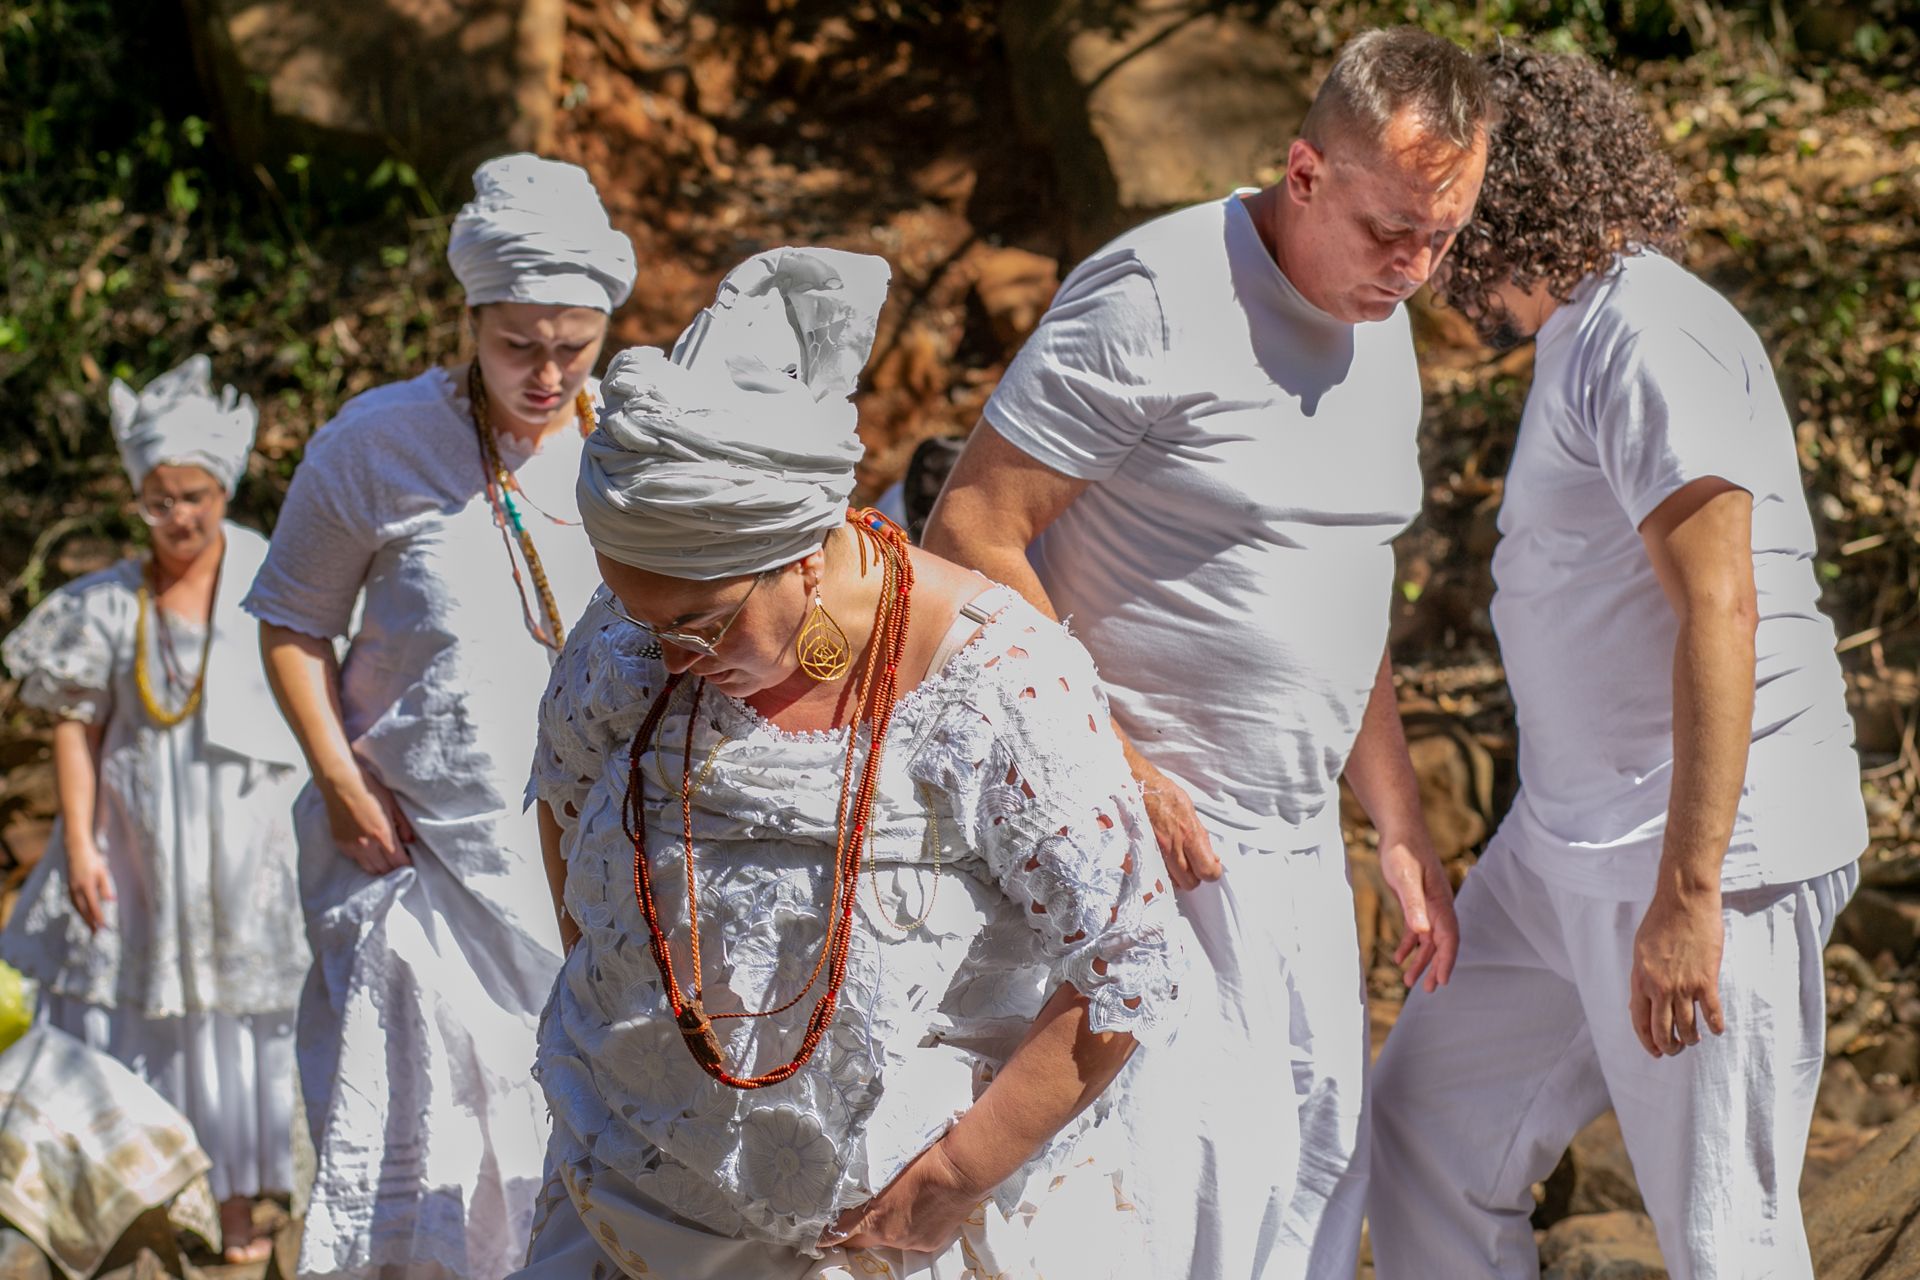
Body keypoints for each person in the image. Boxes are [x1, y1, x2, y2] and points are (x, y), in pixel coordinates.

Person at [922, 26, 1490, 1279]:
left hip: (1295, 852)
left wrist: (1397, 822)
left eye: (1441, 238)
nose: (1413, 266)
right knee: (1166, 1201)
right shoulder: (1157, 296)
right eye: (1391, 227)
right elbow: (967, 533)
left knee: (1310, 1175)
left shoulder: (1381, 322)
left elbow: (1344, 599)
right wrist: (1111, 762)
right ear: (1302, 174)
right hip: (1139, 845)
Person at [511, 245, 1194, 1279]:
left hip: (895, 1238)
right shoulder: (627, 643)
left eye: (701, 623)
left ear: (800, 550)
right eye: (643, 618)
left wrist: (956, 1174)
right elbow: (564, 804)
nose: (672, 658)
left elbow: (1128, 962)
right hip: (639, 1211)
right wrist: (628, 1019)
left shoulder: (1000, 685)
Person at [1368, 47, 1868, 1280]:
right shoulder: (1583, 335)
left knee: (1724, 1241)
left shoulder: (1647, 330)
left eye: (1449, 220)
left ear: (1512, 196)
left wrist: (1690, 894)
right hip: (1562, 846)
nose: (1429, 259)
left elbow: (1724, 604)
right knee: (1424, 1120)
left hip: (1701, 856)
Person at [243, 154, 636, 1280]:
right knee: (442, 1177)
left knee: (578, 1159)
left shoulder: (637, 445)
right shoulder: (373, 445)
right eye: (520, 344)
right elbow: (289, 624)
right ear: (468, 319)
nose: (550, 372)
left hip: (591, 871)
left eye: (575, 343)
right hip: (418, 861)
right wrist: (340, 780)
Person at [0, 357, 307, 1263]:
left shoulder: (269, 575)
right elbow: (74, 727)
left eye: (198, 496)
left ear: (225, 489)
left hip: (241, 827)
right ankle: (135, 1184)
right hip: (143, 835)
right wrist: (84, 843)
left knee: (234, 1012)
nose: (181, 517)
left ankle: (244, 1199)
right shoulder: (108, 608)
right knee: (143, 997)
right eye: (160, 500)